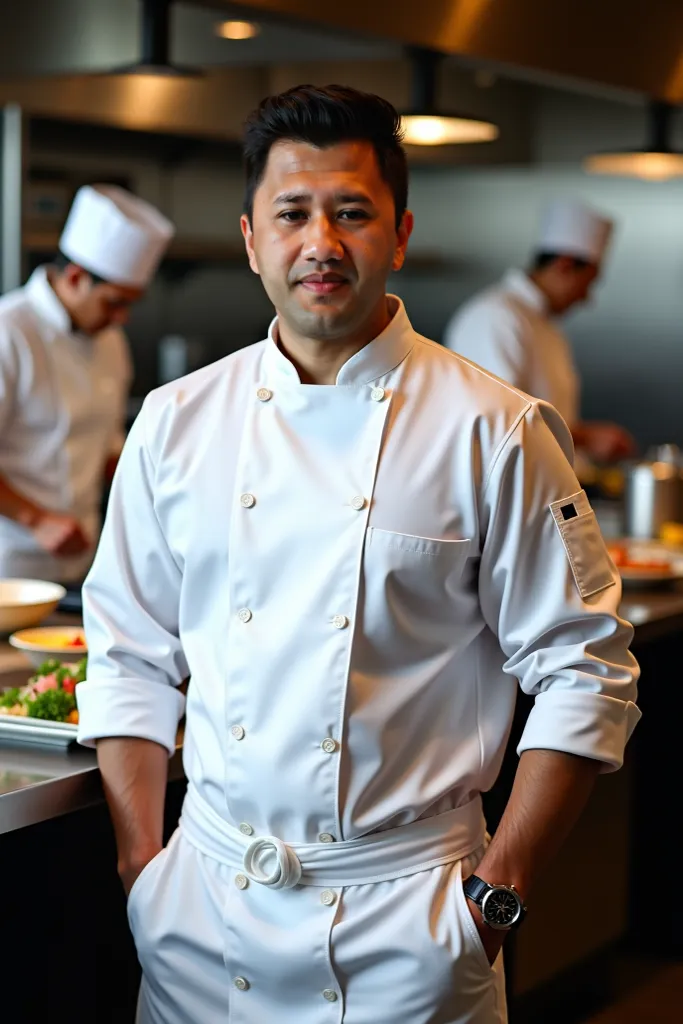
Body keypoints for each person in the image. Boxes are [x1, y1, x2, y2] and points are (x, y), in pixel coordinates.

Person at [76, 86, 640, 1024]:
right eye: (292, 214)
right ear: (253, 237)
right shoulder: (174, 423)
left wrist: (492, 900)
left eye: (351, 213)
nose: (321, 243)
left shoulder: (494, 430)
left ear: (399, 232)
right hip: (201, 921)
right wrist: (144, 864)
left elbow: (586, 671)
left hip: (408, 929)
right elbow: (128, 651)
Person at [0, 184, 174, 583]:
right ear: (76, 277)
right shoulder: (9, 331)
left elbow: (109, 446)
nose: (123, 317)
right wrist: (37, 520)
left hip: (85, 557)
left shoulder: (110, 340)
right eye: (116, 302)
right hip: (10, 564)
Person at [443, 200, 635, 465]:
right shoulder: (495, 317)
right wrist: (586, 438)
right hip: (503, 497)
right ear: (565, 265)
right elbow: (500, 419)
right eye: (587, 283)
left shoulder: (543, 323)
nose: (586, 298)